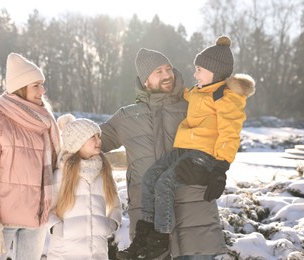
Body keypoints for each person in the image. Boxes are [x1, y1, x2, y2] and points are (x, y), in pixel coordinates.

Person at [121, 36, 256, 259]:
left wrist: (221, 167)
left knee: (165, 183)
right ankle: (143, 235)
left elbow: (230, 133)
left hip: (202, 155)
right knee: (150, 177)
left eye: (199, 69)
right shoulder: (198, 92)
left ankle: (160, 239)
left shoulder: (225, 97)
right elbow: (183, 94)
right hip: (183, 149)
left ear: (214, 71)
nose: (195, 74)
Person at [101, 48, 225, 260]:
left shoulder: (194, 106)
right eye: (158, 71)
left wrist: (216, 170)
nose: (167, 75)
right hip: (149, 235)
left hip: (196, 221)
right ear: (145, 80)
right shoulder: (126, 117)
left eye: (168, 69)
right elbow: (90, 141)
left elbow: (223, 137)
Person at [0, 53, 61, 260]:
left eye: (42, 84)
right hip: (2, 221)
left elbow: (56, 163)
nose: (43, 90)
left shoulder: (45, 122)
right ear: (20, 88)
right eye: (36, 85)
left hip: (36, 217)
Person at [47, 114, 122, 259]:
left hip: (97, 253)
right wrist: (57, 228)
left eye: (98, 136)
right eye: (92, 137)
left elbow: (115, 204)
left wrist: (112, 223)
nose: (99, 140)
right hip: (65, 252)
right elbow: (46, 209)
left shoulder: (104, 172)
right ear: (77, 143)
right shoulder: (62, 174)